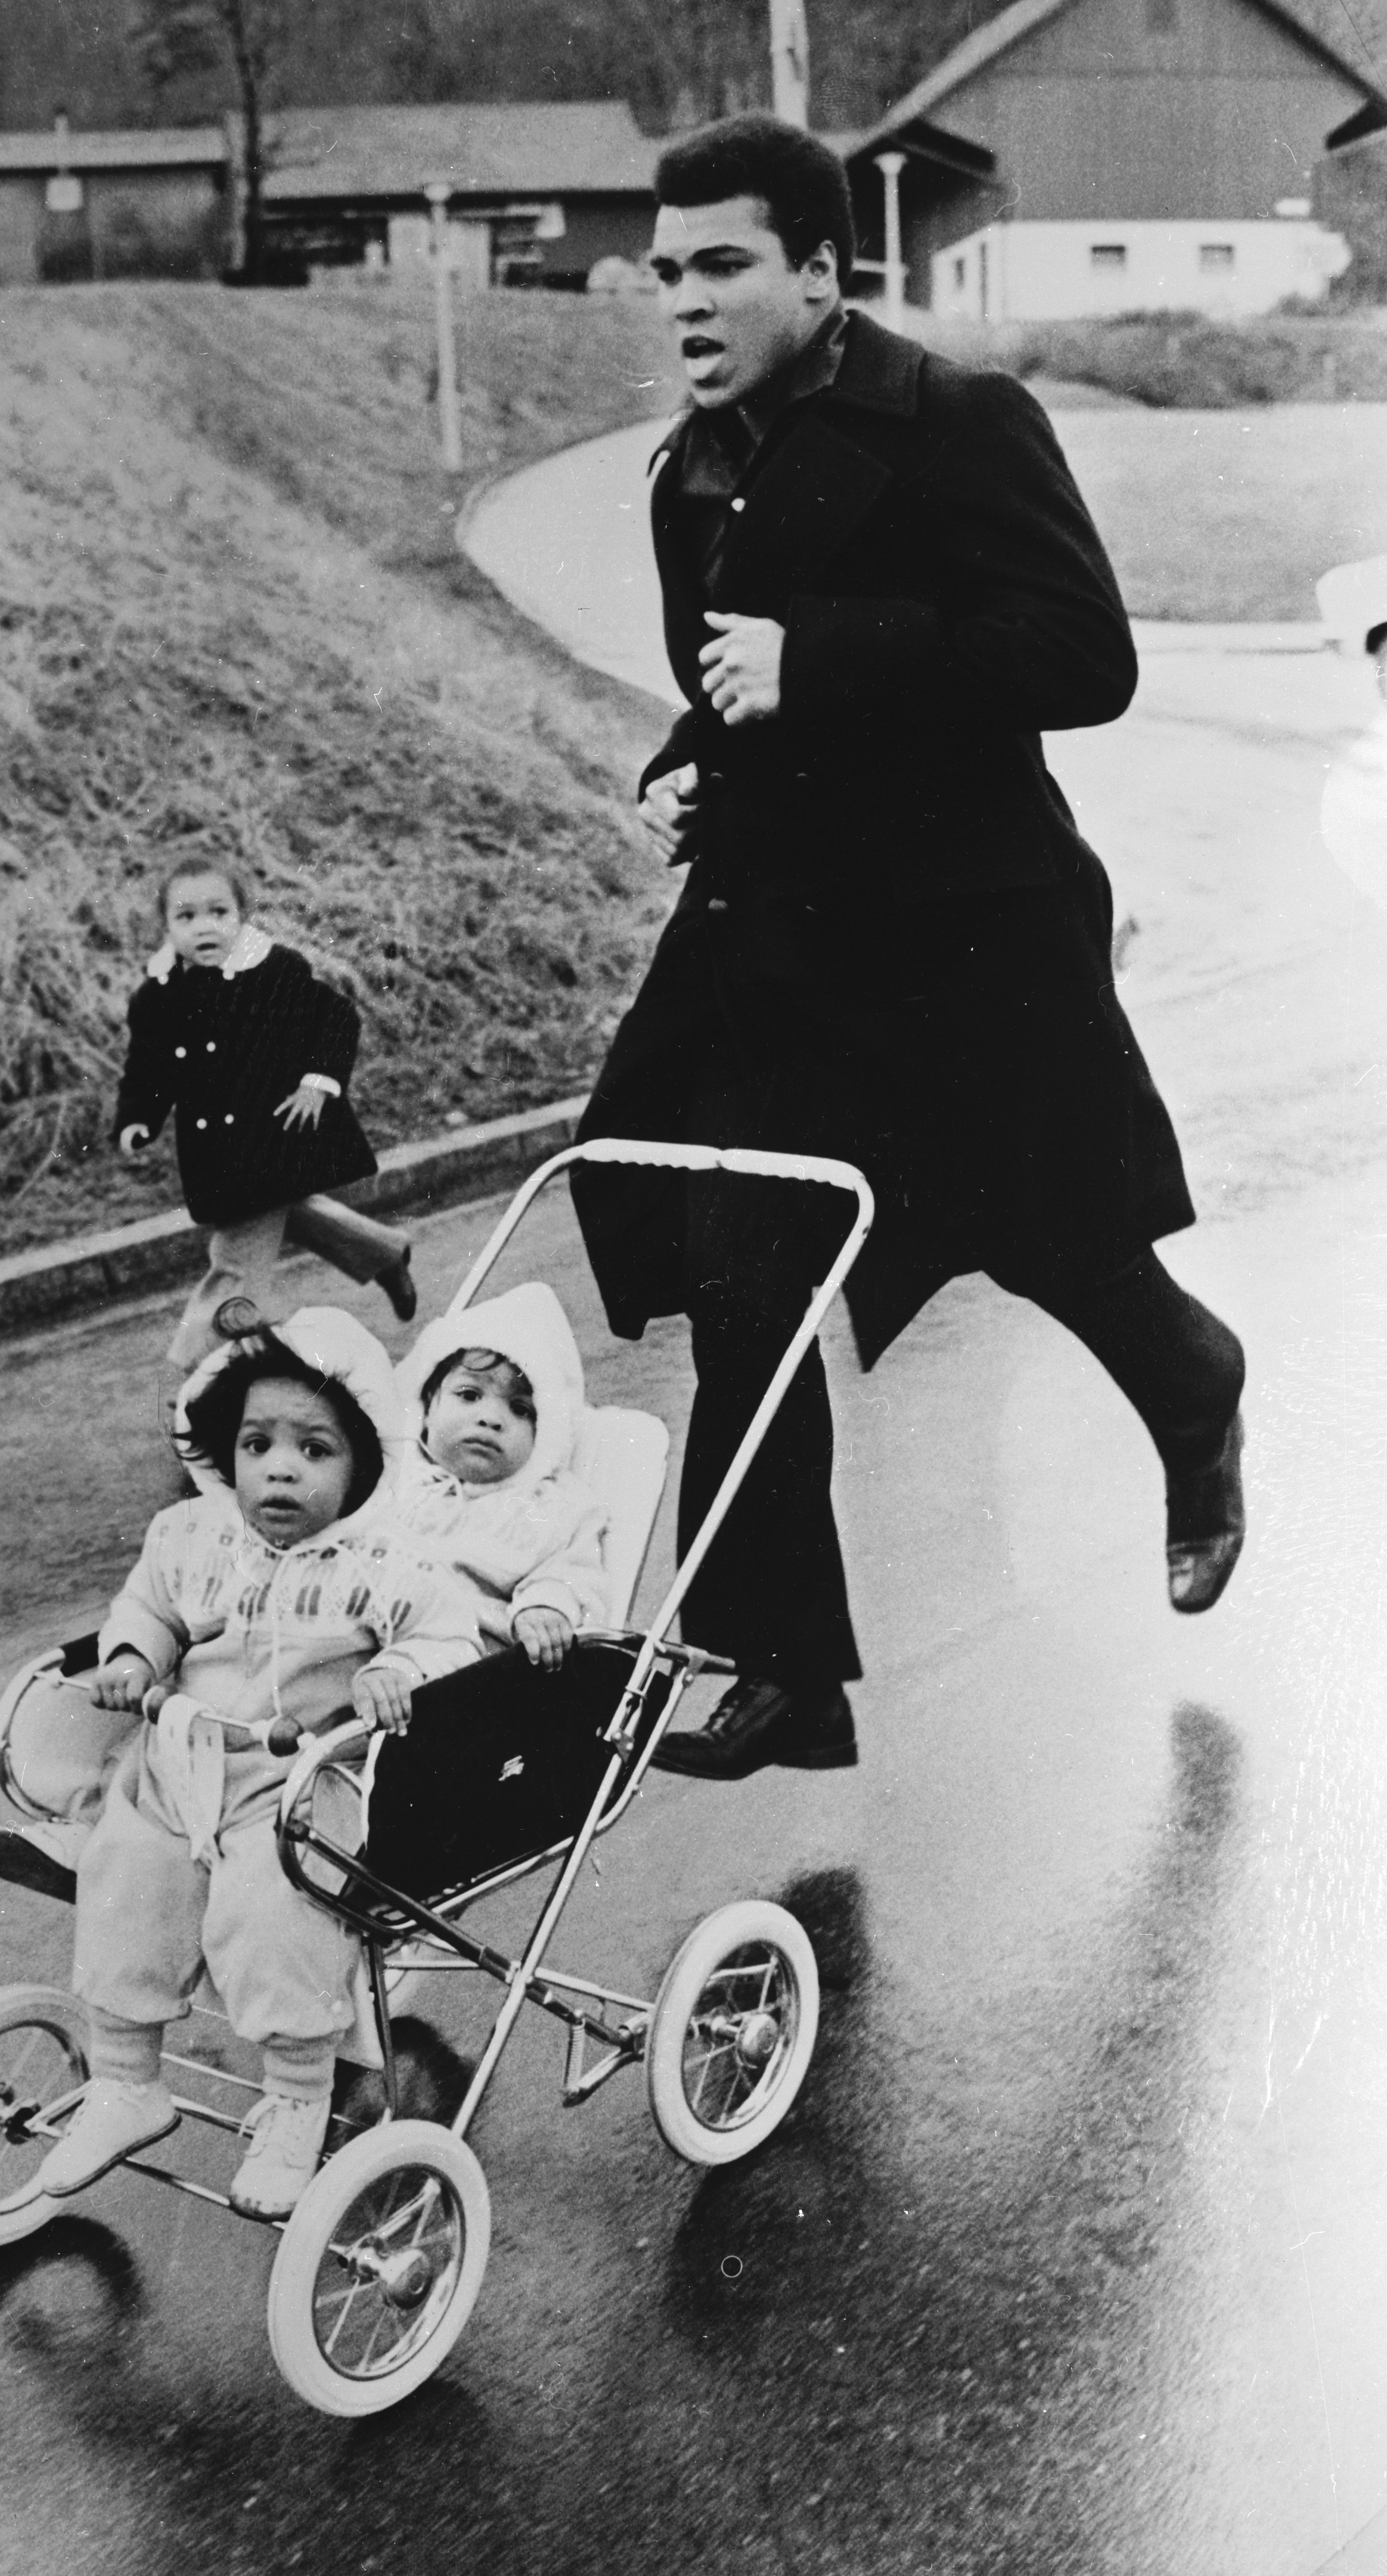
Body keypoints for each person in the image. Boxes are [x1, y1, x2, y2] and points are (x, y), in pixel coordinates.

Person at [572, 114, 1246, 1784]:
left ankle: (1191, 1384)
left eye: (722, 264)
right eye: (666, 272)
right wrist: (690, 770)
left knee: (1050, 1243)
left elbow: (1081, 656)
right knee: (742, 1278)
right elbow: (729, 686)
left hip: (960, 944)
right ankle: (781, 1666)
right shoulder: (690, 464)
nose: (686, 301)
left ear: (819, 265)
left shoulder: (957, 422)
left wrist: (828, 662)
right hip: (779, 946)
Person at [32, 1307, 479, 2217]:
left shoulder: (382, 1562)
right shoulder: (193, 1537)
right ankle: (125, 2079)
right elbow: (150, 1607)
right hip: (180, 1764)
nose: (280, 1466)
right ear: (222, 1453)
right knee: (127, 1879)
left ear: (361, 1469)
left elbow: (447, 1634)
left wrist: (396, 1670)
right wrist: (133, 1657)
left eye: (315, 1449)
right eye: (257, 1443)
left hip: (300, 1778)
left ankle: (295, 2103)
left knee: (275, 1911)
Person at [117, 862, 416, 1374]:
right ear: (166, 928)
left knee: (233, 1263)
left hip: (273, 1137)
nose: (204, 926)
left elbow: (334, 1017)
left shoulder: (272, 972)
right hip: (216, 1155)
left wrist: (315, 1082)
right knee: (283, 1209)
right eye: (186, 917)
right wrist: (137, 1117)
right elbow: (149, 1065)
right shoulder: (159, 995)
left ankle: (191, 1374)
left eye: (219, 912)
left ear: (241, 916)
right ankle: (381, 1254)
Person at [394, 1282, 613, 1667]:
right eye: (468, 1394)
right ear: (426, 1409)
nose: (491, 1418)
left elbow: (571, 1571)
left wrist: (545, 1606)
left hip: (466, 1658)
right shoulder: (391, 1479)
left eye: (519, 1408)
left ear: (544, 1436)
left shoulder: (551, 1505)